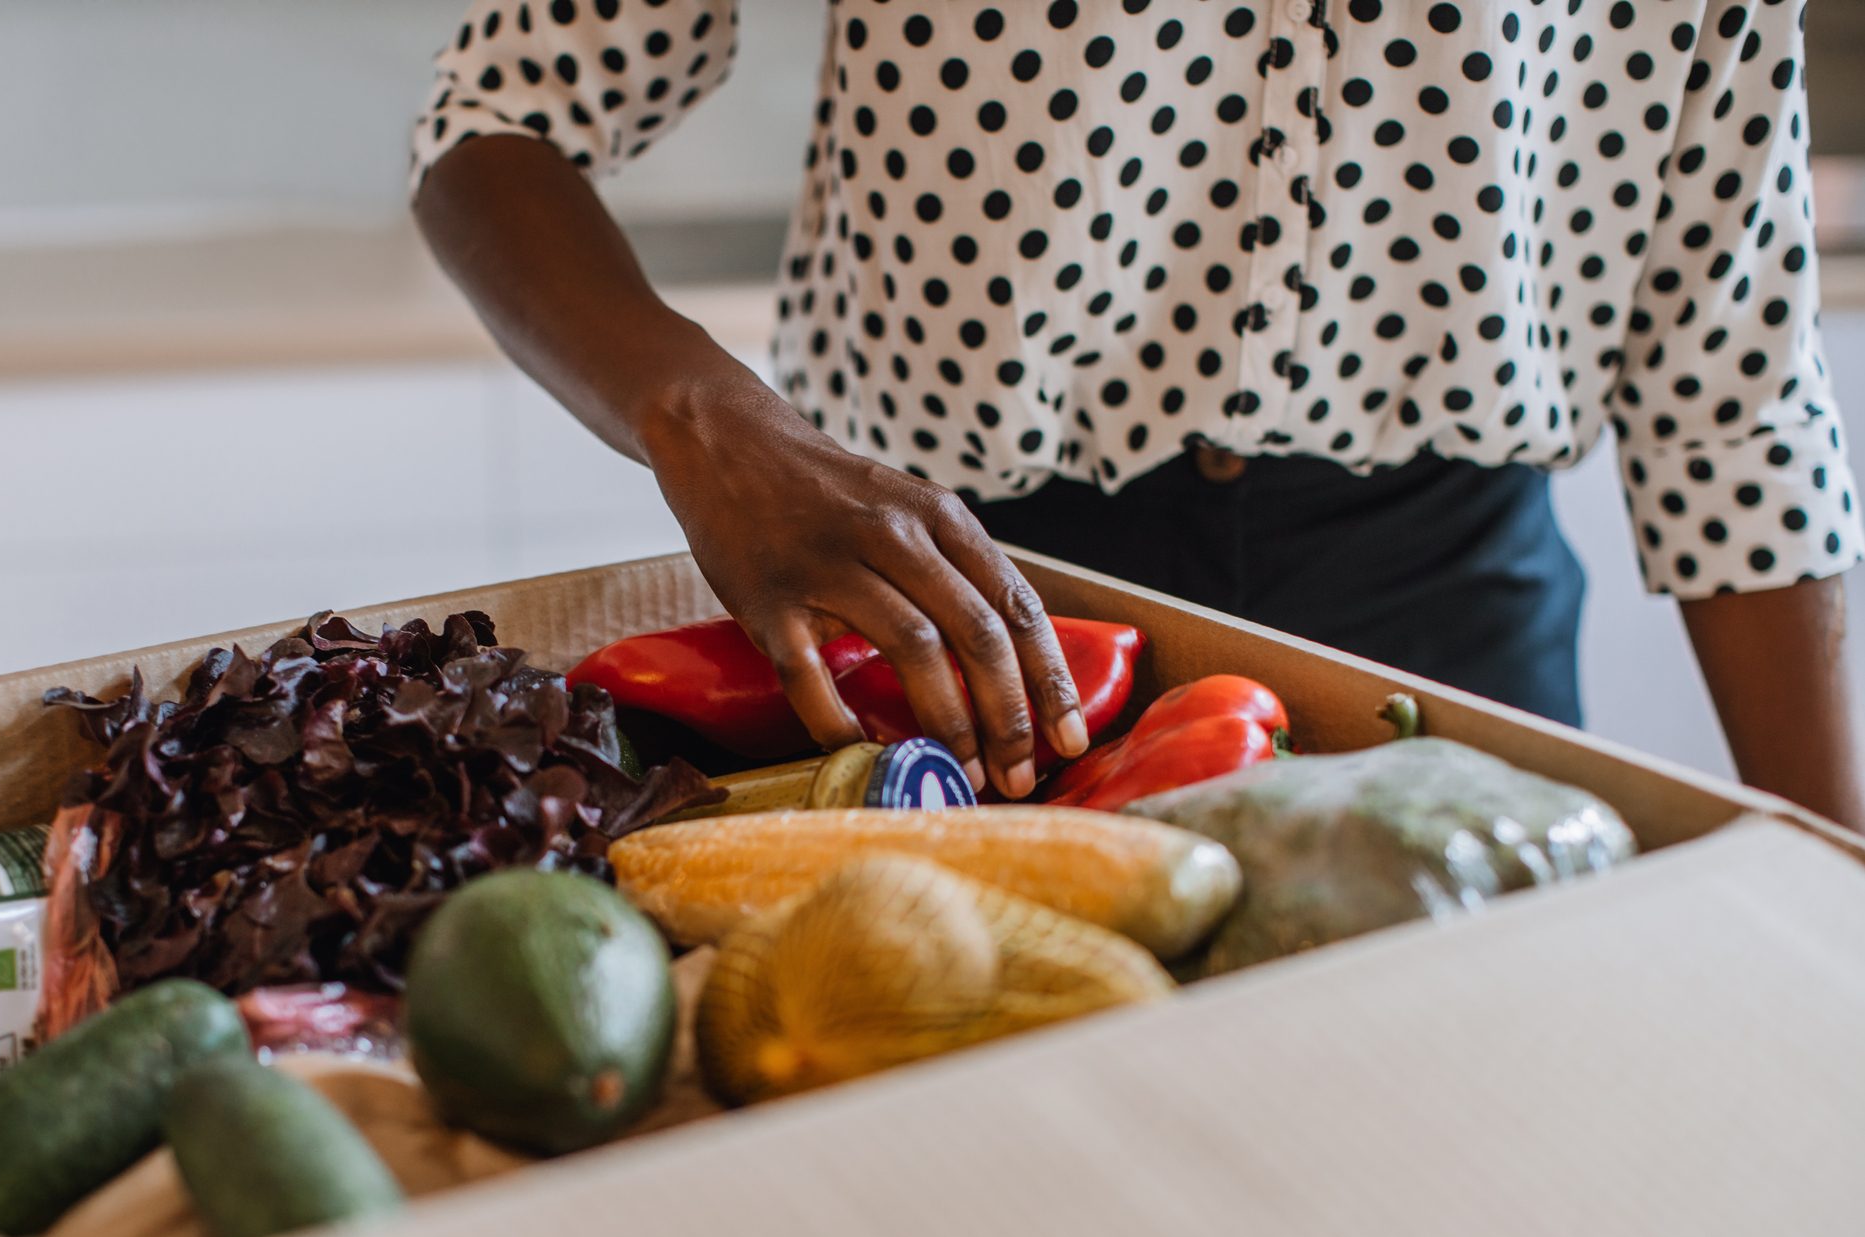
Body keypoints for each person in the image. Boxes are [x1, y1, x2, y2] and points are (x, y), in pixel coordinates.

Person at [409, 1, 1865, 827]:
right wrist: (702, 415)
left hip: (1441, 630)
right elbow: (498, 115)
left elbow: (1725, 380)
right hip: (946, 614)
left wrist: (1831, 874)